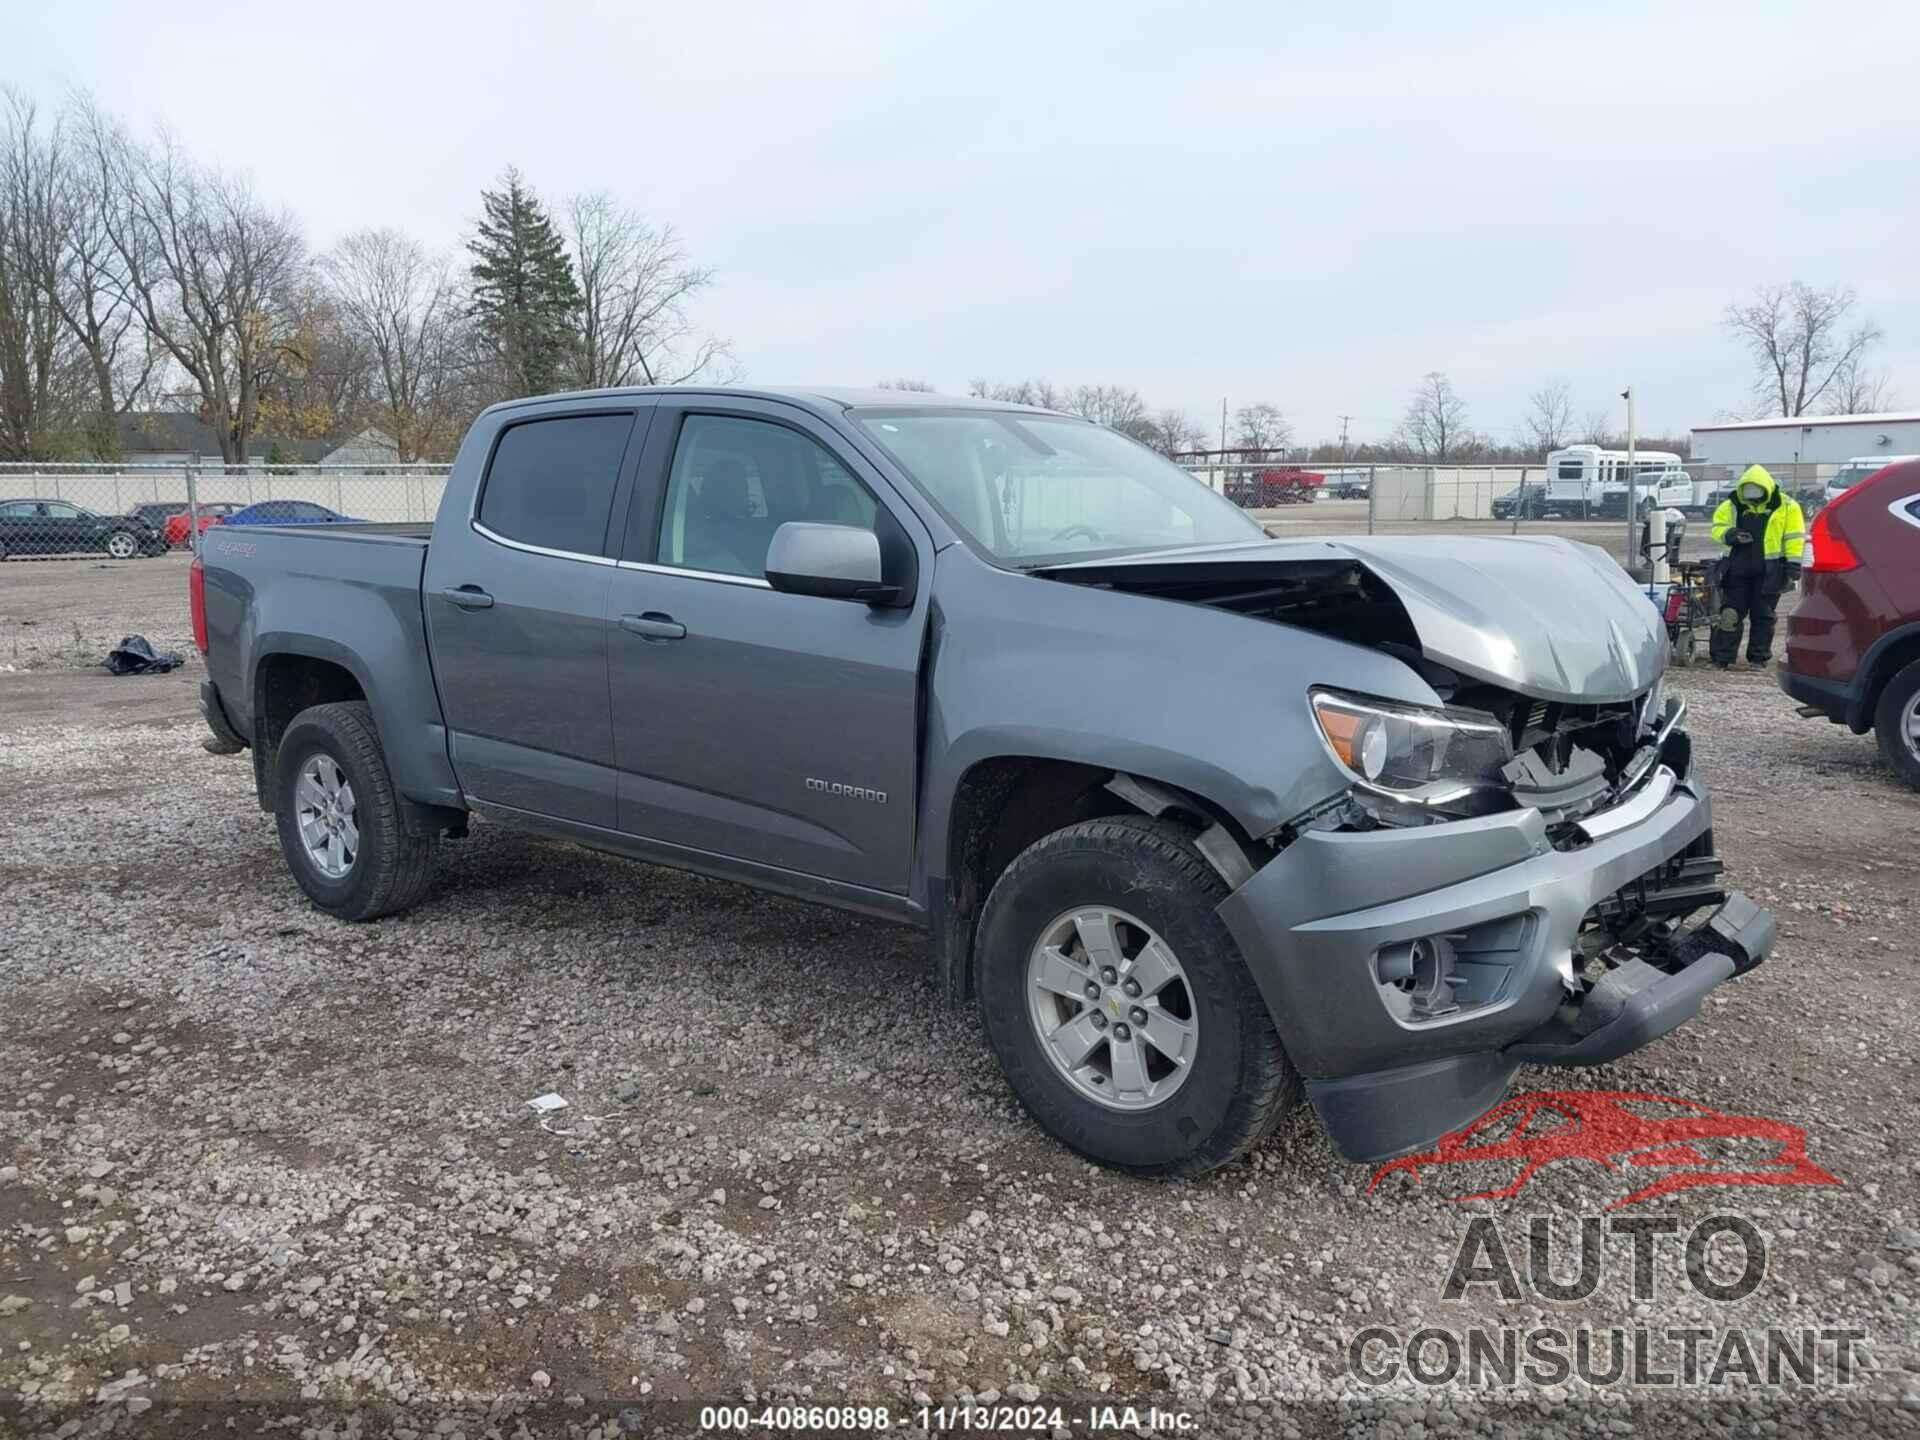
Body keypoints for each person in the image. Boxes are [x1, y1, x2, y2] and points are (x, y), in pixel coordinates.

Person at [1708, 464, 1805, 669]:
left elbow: (1795, 537)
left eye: (1756, 490)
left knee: (1763, 616)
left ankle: (1758, 658)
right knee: (1730, 614)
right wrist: (1731, 535)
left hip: (1770, 572)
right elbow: (1717, 528)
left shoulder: (1787, 506)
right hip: (1736, 570)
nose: (1752, 495)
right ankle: (1722, 658)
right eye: (1748, 490)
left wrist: (1794, 564)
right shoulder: (1731, 505)